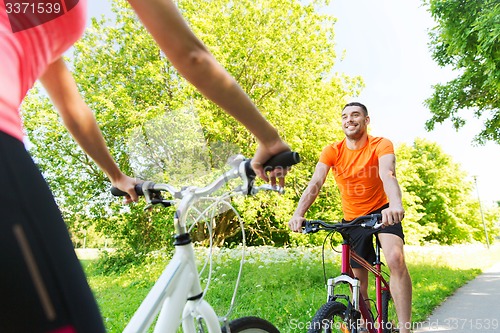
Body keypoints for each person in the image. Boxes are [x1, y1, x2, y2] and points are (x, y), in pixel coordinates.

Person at [0, 1, 290, 332]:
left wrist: (118, 176)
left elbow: (74, 109)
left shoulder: (28, 22)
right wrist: (269, 140)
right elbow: (191, 54)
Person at [288, 102, 412, 333]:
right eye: (344, 116)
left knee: (395, 259)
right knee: (358, 281)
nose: (349, 119)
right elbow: (316, 183)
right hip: (353, 219)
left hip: (382, 212)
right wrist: (299, 214)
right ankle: (365, 326)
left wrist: (395, 205)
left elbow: (388, 173)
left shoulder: (380, 144)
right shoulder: (332, 150)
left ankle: (405, 328)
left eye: (355, 115)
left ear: (366, 120)